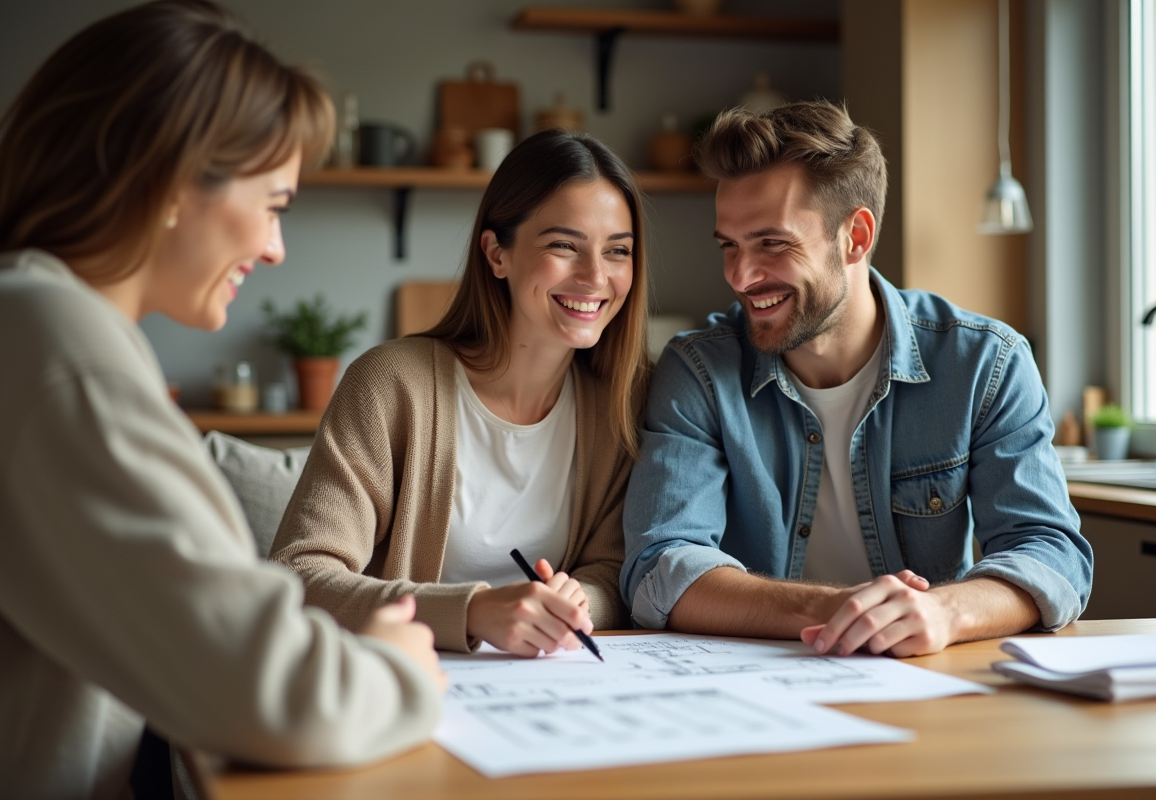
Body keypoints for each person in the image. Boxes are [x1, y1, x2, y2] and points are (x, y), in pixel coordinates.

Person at [0, 3, 445, 798]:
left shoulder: (39, 323)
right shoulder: (58, 346)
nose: (275, 248)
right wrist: (396, 667)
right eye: (273, 204)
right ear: (171, 179)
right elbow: (274, 696)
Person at [620, 100, 1093, 657]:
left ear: (857, 236)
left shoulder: (986, 364)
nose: (741, 276)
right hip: (753, 684)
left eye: (772, 243)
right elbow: (660, 566)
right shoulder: (698, 372)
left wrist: (943, 611)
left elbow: (1050, 553)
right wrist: (841, 610)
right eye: (730, 246)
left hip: (927, 679)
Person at [270, 129, 651, 656]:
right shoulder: (390, 386)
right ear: (497, 254)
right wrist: (470, 612)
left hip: (548, 689)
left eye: (618, 251)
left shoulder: (623, 403)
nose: (595, 276)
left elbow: (612, 571)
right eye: (563, 245)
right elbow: (299, 576)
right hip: (405, 688)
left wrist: (577, 601)